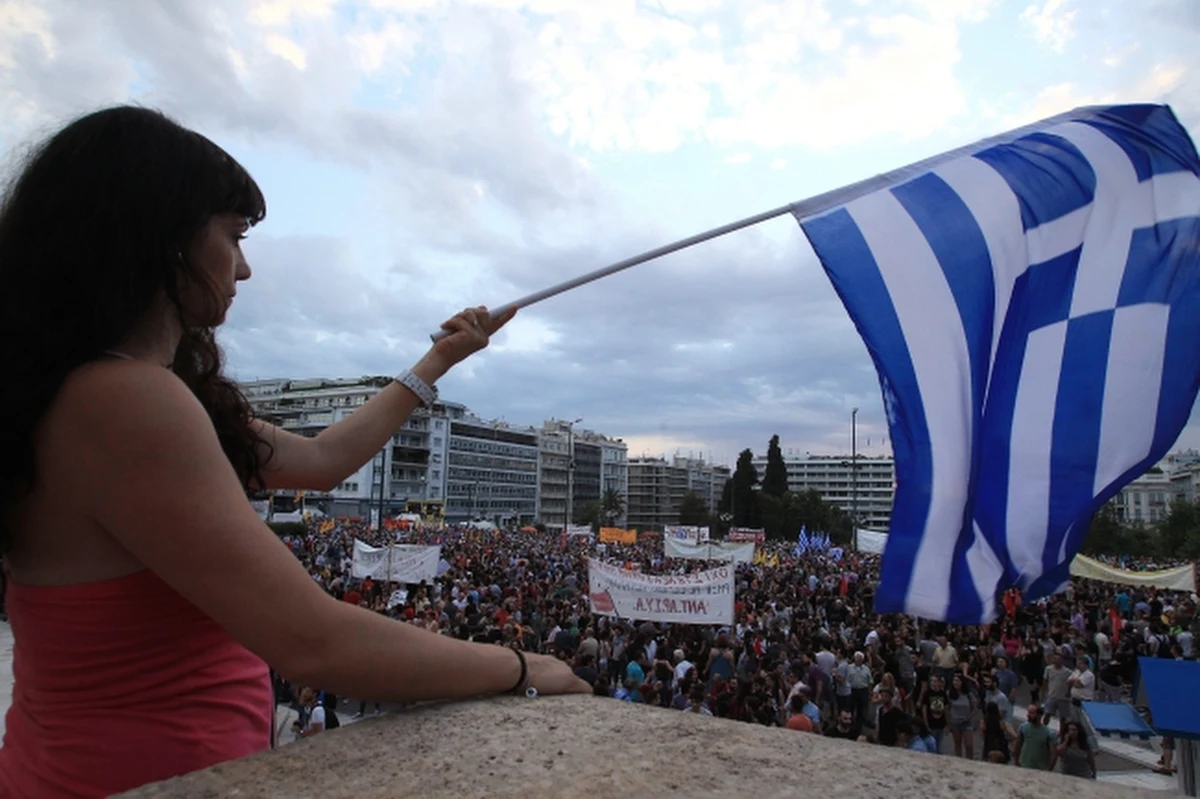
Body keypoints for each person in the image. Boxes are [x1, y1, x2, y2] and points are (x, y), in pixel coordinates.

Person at [0, 105, 589, 798]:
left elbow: (321, 460)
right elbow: (312, 639)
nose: (244, 268)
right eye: (233, 236)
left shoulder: (82, 391)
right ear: (164, 241)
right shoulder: (125, 401)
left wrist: (436, 361)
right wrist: (522, 667)